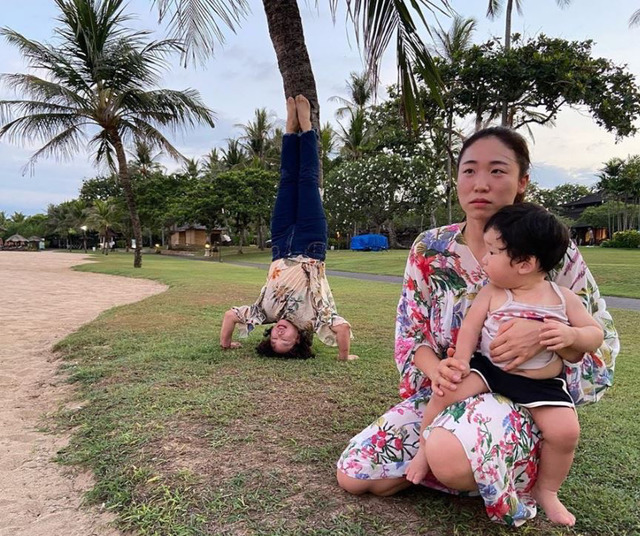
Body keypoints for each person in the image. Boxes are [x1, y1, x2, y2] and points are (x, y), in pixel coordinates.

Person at [336, 127, 619, 526]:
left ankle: (488, 463)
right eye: (469, 170)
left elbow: (598, 343)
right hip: (463, 383)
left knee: (450, 458)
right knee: (355, 477)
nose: (480, 183)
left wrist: (547, 337)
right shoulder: (431, 248)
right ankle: (466, 464)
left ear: (522, 181)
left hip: (524, 398)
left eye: (497, 171)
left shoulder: (547, 247)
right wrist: (440, 369)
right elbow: (411, 334)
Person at [404, 203, 604, 526]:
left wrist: (571, 335)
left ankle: (547, 490)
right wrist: (461, 361)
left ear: (525, 263)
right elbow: (470, 328)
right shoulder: (493, 292)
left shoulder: (563, 297)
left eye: (494, 252)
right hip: (491, 370)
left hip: (541, 384)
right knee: (445, 393)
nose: (484, 258)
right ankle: (423, 450)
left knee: (566, 432)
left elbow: (595, 334)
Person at [220, 95, 358, 361]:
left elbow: (230, 316)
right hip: (311, 245)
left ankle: (289, 129)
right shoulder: (314, 320)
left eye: (273, 338)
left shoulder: (264, 314)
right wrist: (344, 357)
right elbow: (342, 329)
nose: (278, 334)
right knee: (306, 181)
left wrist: (226, 344)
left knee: (286, 181)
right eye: (284, 341)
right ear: (299, 339)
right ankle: (306, 127)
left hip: (281, 245)